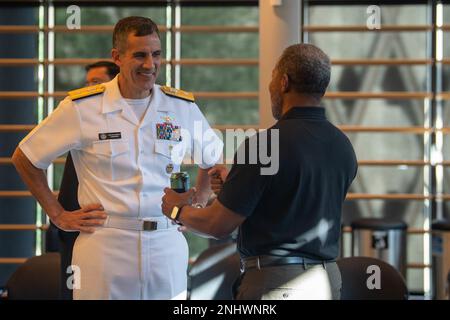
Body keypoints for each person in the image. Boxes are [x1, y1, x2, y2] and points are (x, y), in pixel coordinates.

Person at [12, 16, 222, 300]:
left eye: (156, 54)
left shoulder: (180, 106)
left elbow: (213, 160)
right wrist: (58, 214)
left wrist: (195, 206)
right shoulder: (83, 107)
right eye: (140, 55)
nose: (150, 64)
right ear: (117, 57)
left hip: (166, 245)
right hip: (104, 246)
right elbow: (26, 157)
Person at [161, 43, 358, 300]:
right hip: (327, 283)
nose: (270, 86)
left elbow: (218, 225)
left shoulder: (264, 145)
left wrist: (177, 209)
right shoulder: (343, 146)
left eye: (273, 78)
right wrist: (236, 189)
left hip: (278, 284)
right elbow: (296, 204)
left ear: (284, 82)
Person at [45, 60, 120, 300]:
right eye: (87, 83)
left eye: (96, 82)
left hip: (113, 235)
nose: (89, 88)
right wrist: (58, 215)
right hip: (73, 228)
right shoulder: (81, 118)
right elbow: (26, 158)